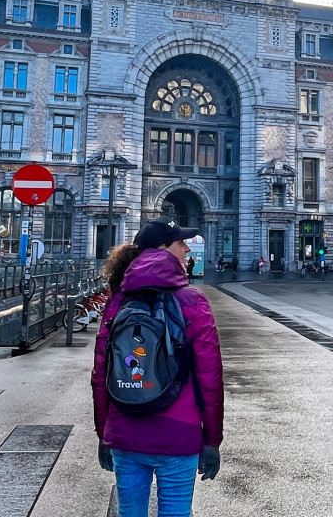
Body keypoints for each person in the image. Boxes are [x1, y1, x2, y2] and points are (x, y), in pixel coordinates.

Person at [92, 217, 224, 517]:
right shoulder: (193, 301)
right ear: (163, 249)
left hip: (125, 431)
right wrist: (212, 439)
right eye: (181, 243)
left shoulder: (117, 301)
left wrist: (104, 433)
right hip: (180, 435)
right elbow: (210, 379)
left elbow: (101, 374)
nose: (188, 250)